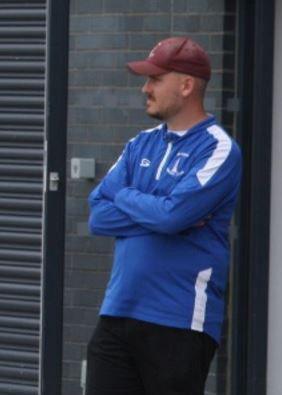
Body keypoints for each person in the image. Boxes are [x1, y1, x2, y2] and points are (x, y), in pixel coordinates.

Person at [85, 36, 241, 395]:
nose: (145, 88)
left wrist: (124, 197)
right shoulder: (139, 143)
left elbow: (171, 217)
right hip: (118, 311)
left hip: (179, 320)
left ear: (186, 85)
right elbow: (98, 216)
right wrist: (157, 209)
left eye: (155, 79)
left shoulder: (218, 149)